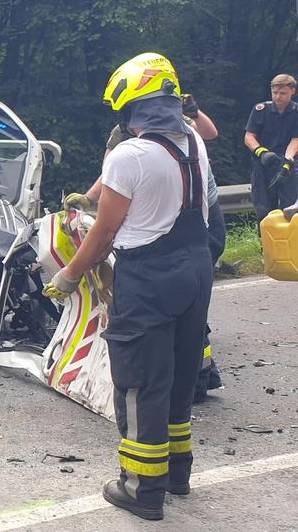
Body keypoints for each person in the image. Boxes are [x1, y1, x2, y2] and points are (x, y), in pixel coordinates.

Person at [45, 53, 213, 521]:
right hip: (196, 271)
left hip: (150, 275)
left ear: (132, 106)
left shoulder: (129, 154)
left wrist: (70, 274)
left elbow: (103, 233)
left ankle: (141, 488)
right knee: (180, 375)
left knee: (141, 382)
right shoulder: (192, 141)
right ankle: (178, 474)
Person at [66, 92, 224, 401]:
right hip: (194, 242)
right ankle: (188, 385)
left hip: (190, 230)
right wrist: (89, 197)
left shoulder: (183, 125)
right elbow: (112, 173)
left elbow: (108, 225)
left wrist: (74, 270)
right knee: (186, 309)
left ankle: (195, 379)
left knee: (163, 323)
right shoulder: (173, 135)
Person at [244, 74, 298, 222]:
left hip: (288, 164)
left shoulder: (296, 111)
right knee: (263, 209)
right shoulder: (260, 109)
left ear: (292, 91)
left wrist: (288, 160)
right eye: (275, 93)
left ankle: (291, 243)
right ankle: (266, 244)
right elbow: (249, 137)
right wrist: (261, 152)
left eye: (283, 93)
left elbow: (295, 140)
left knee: (290, 208)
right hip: (263, 164)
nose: (278, 97)